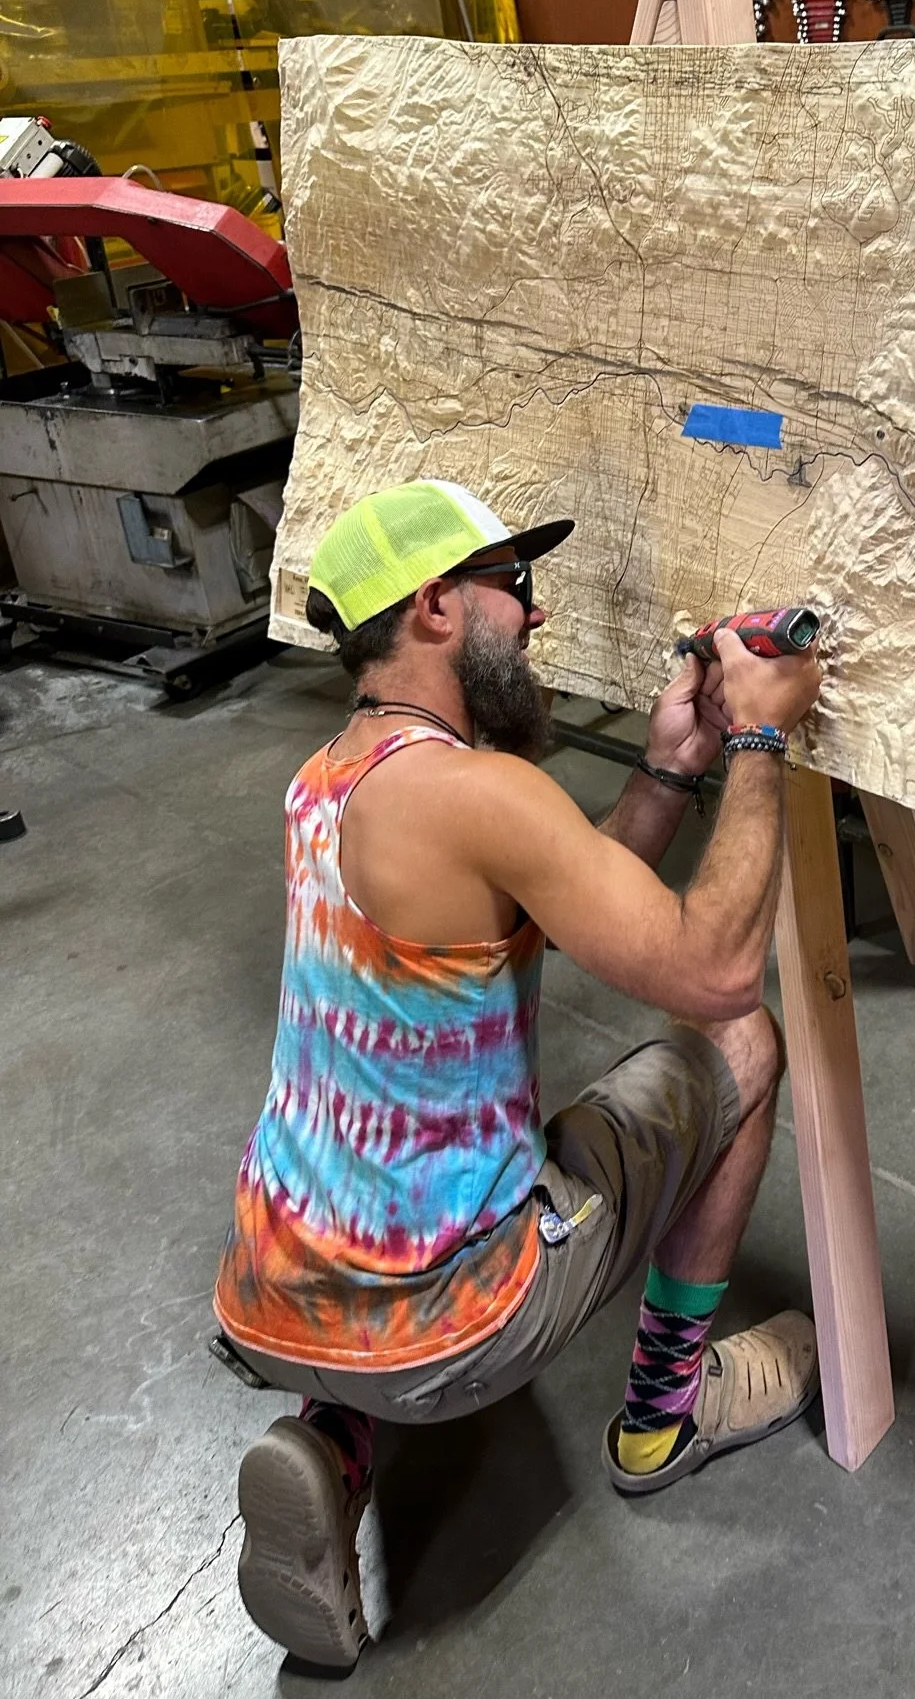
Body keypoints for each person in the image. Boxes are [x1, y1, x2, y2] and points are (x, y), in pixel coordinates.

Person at [213, 478, 823, 1668]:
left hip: (269, 1288)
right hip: (455, 1327)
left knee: (386, 1172)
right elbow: (711, 972)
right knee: (745, 1043)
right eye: (516, 590)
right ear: (438, 607)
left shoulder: (329, 780)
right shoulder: (481, 793)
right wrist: (757, 735)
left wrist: (668, 771)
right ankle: (664, 1412)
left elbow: (545, 900)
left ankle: (331, 1439)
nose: (534, 621)